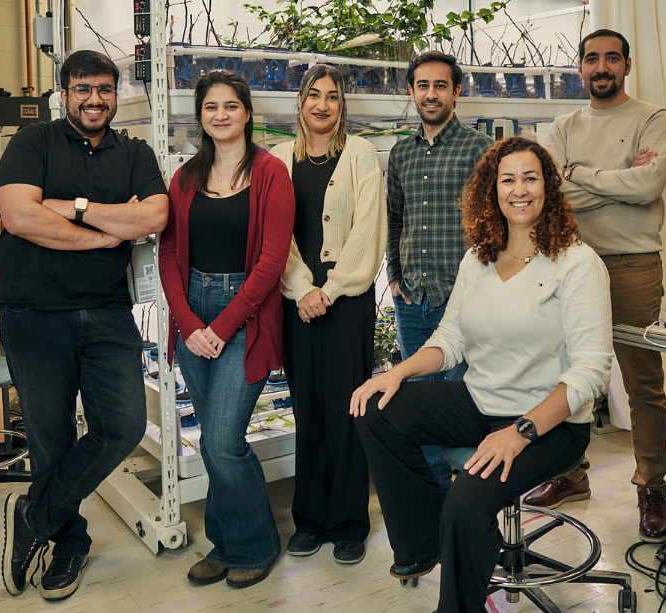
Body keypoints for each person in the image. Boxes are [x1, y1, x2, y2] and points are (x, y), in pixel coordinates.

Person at [351, 137, 612, 613]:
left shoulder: (577, 263)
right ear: (492, 190)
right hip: (480, 401)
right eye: (507, 179)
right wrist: (397, 374)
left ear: (548, 187)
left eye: (530, 178)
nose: (519, 190)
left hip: (549, 424)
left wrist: (520, 432)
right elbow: (451, 338)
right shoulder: (480, 256)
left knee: (467, 503)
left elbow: (591, 373)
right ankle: (427, 543)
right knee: (374, 408)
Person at [0, 50, 169, 600]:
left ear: (118, 94)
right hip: (34, 314)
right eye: (83, 89)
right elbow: (19, 215)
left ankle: (34, 515)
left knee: (123, 427)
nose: (95, 99)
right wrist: (105, 233)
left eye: (105, 89)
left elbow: (154, 216)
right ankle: (68, 543)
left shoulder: (135, 152)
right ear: (63, 93)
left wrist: (70, 206)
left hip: (110, 312)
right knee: (51, 439)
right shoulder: (32, 143)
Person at [535, 28, 666, 543]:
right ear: (579, 67)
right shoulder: (561, 125)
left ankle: (651, 487)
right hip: (571, 264)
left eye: (611, 58)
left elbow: (649, 185)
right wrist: (616, 181)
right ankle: (570, 475)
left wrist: (577, 175)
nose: (601, 68)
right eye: (592, 59)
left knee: (643, 382)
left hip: (633, 264)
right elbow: (551, 197)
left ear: (626, 65)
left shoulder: (653, 119)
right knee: (564, 379)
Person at [158, 70, 295, 588]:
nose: (221, 115)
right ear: (200, 116)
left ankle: (257, 543)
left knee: (221, 438)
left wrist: (221, 324)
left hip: (247, 312)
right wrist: (190, 324)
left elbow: (271, 261)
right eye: (211, 107)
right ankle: (226, 541)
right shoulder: (185, 177)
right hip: (192, 310)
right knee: (213, 439)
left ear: (247, 112)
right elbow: (169, 252)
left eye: (230, 106)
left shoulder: (270, 173)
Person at [270, 64, 387, 565]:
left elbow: (368, 230)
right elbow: (275, 235)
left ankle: (347, 523)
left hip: (348, 301)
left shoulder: (359, 154)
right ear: (300, 102)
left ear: (343, 105)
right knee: (307, 408)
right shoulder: (276, 158)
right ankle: (310, 519)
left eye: (332, 97)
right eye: (313, 95)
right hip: (296, 301)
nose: (322, 104)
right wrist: (302, 289)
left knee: (347, 410)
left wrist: (330, 289)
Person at [386, 51, 494, 489]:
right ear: (410, 91)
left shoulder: (480, 150)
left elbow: (495, 224)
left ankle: (472, 494)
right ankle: (436, 494)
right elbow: (395, 218)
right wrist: (393, 274)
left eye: (441, 85)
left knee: (465, 401)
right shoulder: (400, 154)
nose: (431, 94)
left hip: (462, 300)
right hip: (413, 299)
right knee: (419, 402)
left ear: (456, 91)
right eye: (423, 86)